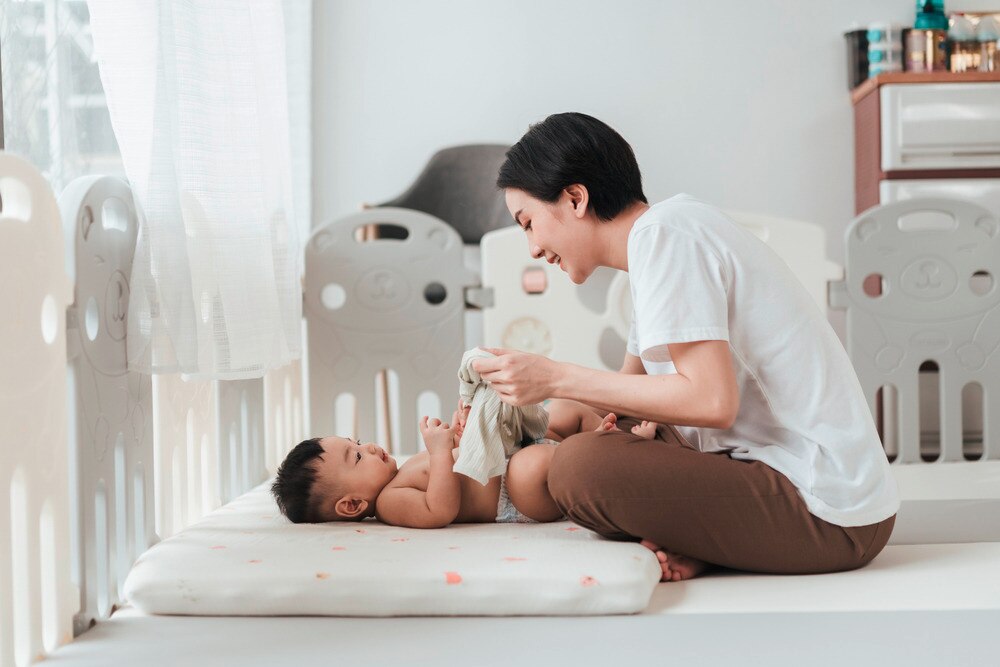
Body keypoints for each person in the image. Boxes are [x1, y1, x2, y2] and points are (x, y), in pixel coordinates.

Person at [472, 112, 900, 582]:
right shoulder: (658, 243)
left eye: (529, 223)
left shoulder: (666, 235)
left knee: (578, 467)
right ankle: (708, 544)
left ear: (575, 198)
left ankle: (708, 541)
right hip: (766, 471)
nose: (532, 247)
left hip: (827, 507)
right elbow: (627, 395)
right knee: (584, 426)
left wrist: (554, 376)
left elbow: (712, 402)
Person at [270, 397, 657, 528]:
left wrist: (464, 432)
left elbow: (463, 460)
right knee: (534, 464)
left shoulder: (403, 469)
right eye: (355, 456)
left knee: (559, 411)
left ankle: (604, 433)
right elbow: (440, 508)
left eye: (357, 442)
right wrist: (441, 452)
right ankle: (616, 454)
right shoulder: (390, 503)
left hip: (510, 454)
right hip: (513, 495)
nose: (368, 446)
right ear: (351, 504)